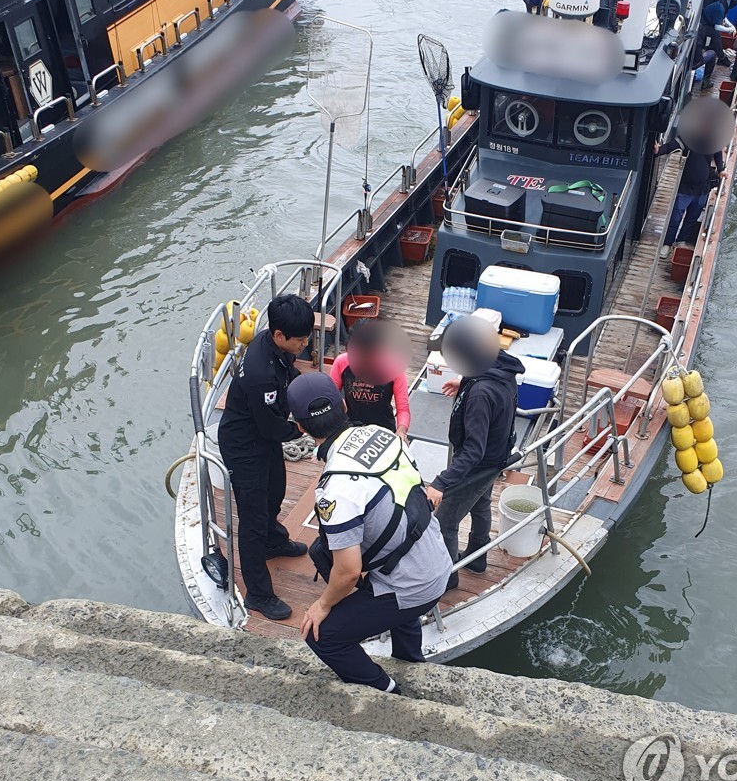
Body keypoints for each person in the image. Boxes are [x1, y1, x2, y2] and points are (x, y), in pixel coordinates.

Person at [289, 373, 452, 692]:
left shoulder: (334, 490)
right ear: (345, 404)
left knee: (321, 636)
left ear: (301, 427)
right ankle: (409, 659)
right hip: (435, 556)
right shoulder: (384, 435)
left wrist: (321, 605)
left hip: (411, 584)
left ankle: (386, 690)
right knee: (321, 551)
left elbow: (348, 572)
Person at [217, 293, 313, 621]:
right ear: (279, 336)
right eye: (300, 339)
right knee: (253, 521)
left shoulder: (270, 345)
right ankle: (258, 593)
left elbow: (289, 378)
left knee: (276, 490)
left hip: (262, 435)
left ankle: (274, 541)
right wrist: (304, 428)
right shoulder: (261, 375)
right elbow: (273, 428)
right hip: (245, 445)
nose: (305, 344)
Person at [424, 317, 523, 589]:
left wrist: (441, 483)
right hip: (497, 457)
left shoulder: (481, 393)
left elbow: (473, 451)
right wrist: (464, 383)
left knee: (445, 521)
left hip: (478, 465)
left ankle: (448, 577)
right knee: (481, 504)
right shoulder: (500, 367)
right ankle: (477, 558)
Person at [328, 320, 411, 441]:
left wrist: (401, 431)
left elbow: (403, 409)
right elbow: (331, 399)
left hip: (383, 431)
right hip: (351, 430)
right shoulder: (342, 362)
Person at [656, 131, 725, 259]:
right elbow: (671, 146)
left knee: (692, 218)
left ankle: (681, 240)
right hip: (685, 188)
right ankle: (667, 243)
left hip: (702, 188)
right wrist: (658, 150)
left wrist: (721, 170)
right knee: (675, 218)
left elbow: (718, 154)